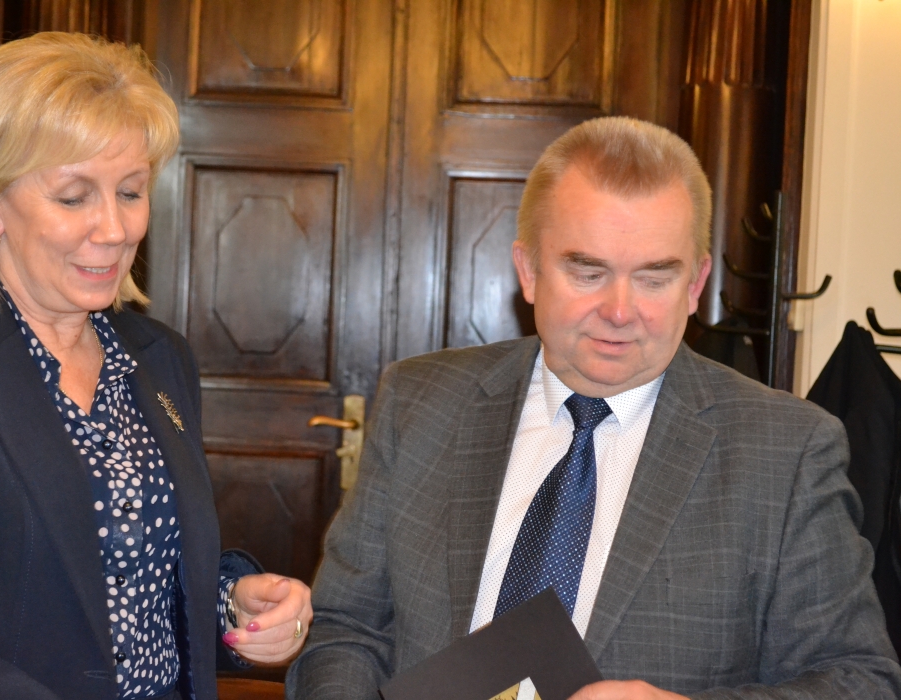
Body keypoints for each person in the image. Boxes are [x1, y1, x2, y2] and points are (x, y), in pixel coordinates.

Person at [286, 117, 901, 699]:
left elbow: (858, 680)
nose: (619, 310)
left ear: (695, 285)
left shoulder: (788, 451)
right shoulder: (420, 402)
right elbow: (346, 629)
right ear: (529, 271)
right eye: (588, 273)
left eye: (654, 278)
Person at [0, 33, 311, 700]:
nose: (115, 229)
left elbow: (135, 575)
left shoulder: (159, 356)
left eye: (130, 192)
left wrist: (232, 603)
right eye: (74, 197)